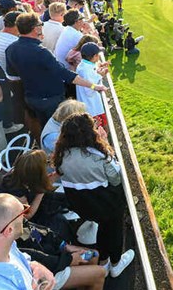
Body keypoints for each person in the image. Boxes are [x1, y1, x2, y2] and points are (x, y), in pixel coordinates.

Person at [54, 114, 135, 278]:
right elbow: (116, 178)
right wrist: (106, 146)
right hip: (106, 204)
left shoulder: (61, 155)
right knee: (113, 230)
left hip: (80, 205)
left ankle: (104, 262)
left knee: (104, 227)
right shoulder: (100, 156)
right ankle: (115, 264)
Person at [5, 13, 107, 125]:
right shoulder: (41, 52)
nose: (42, 27)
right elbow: (65, 74)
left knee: (44, 126)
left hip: (32, 98)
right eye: (41, 24)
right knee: (60, 129)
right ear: (35, 29)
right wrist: (93, 86)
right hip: (51, 100)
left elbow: (13, 78)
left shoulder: (11, 49)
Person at [75, 43, 109, 128]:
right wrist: (100, 75)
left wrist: (99, 69)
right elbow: (89, 91)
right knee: (101, 129)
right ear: (94, 56)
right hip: (92, 108)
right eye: (98, 55)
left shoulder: (84, 65)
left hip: (91, 106)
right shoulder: (86, 70)